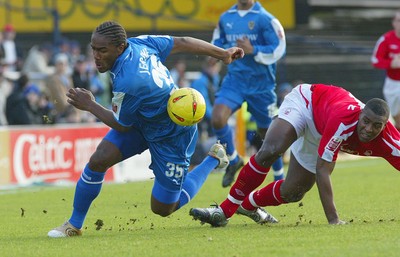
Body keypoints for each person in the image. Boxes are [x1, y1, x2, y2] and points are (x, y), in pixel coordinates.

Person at [47, 20, 244, 237]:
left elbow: (121, 125)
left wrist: (90, 105)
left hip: (172, 134)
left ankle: (213, 159)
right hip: (142, 120)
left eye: (102, 50)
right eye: (93, 49)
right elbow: (182, 42)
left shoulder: (130, 81)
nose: (96, 55)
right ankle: (73, 225)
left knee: (163, 208)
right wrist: (222, 54)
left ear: (120, 48)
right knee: (99, 159)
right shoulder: (140, 43)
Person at [190, 83, 400, 227]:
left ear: (385, 126)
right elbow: (323, 169)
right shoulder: (345, 121)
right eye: (366, 121)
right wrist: (334, 220)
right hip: (306, 104)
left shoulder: (390, 141)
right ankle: (224, 212)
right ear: (361, 114)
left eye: (377, 125)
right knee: (272, 149)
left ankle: (248, 205)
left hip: (321, 132)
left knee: (293, 192)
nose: (369, 129)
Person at [211, 0, 286, 187]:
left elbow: (279, 48)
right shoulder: (226, 18)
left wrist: (254, 50)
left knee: (268, 135)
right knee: (218, 118)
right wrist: (218, 54)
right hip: (235, 81)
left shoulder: (266, 19)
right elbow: (216, 43)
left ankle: (279, 178)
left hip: (261, 87)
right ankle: (234, 159)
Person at [371, 9, 400, 130]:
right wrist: (391, 63)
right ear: (394, 22)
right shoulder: (386, 39)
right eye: (399, 20)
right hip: (392, 84)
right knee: (397, 118)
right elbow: (375, 61)